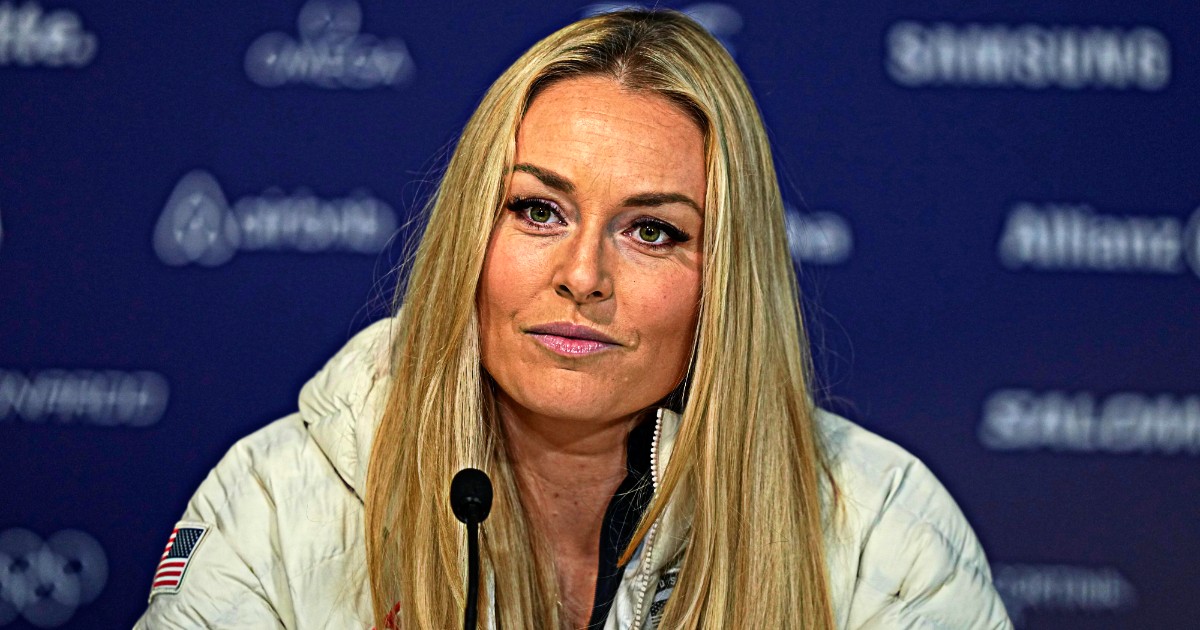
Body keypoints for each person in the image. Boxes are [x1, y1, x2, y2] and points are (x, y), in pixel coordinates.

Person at [136, 9, 1011, 630]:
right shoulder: (278, 500)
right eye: (537, 211)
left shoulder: (881, 532)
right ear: (469, 237)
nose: (583, 276)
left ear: (726, 284)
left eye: (653, 231)